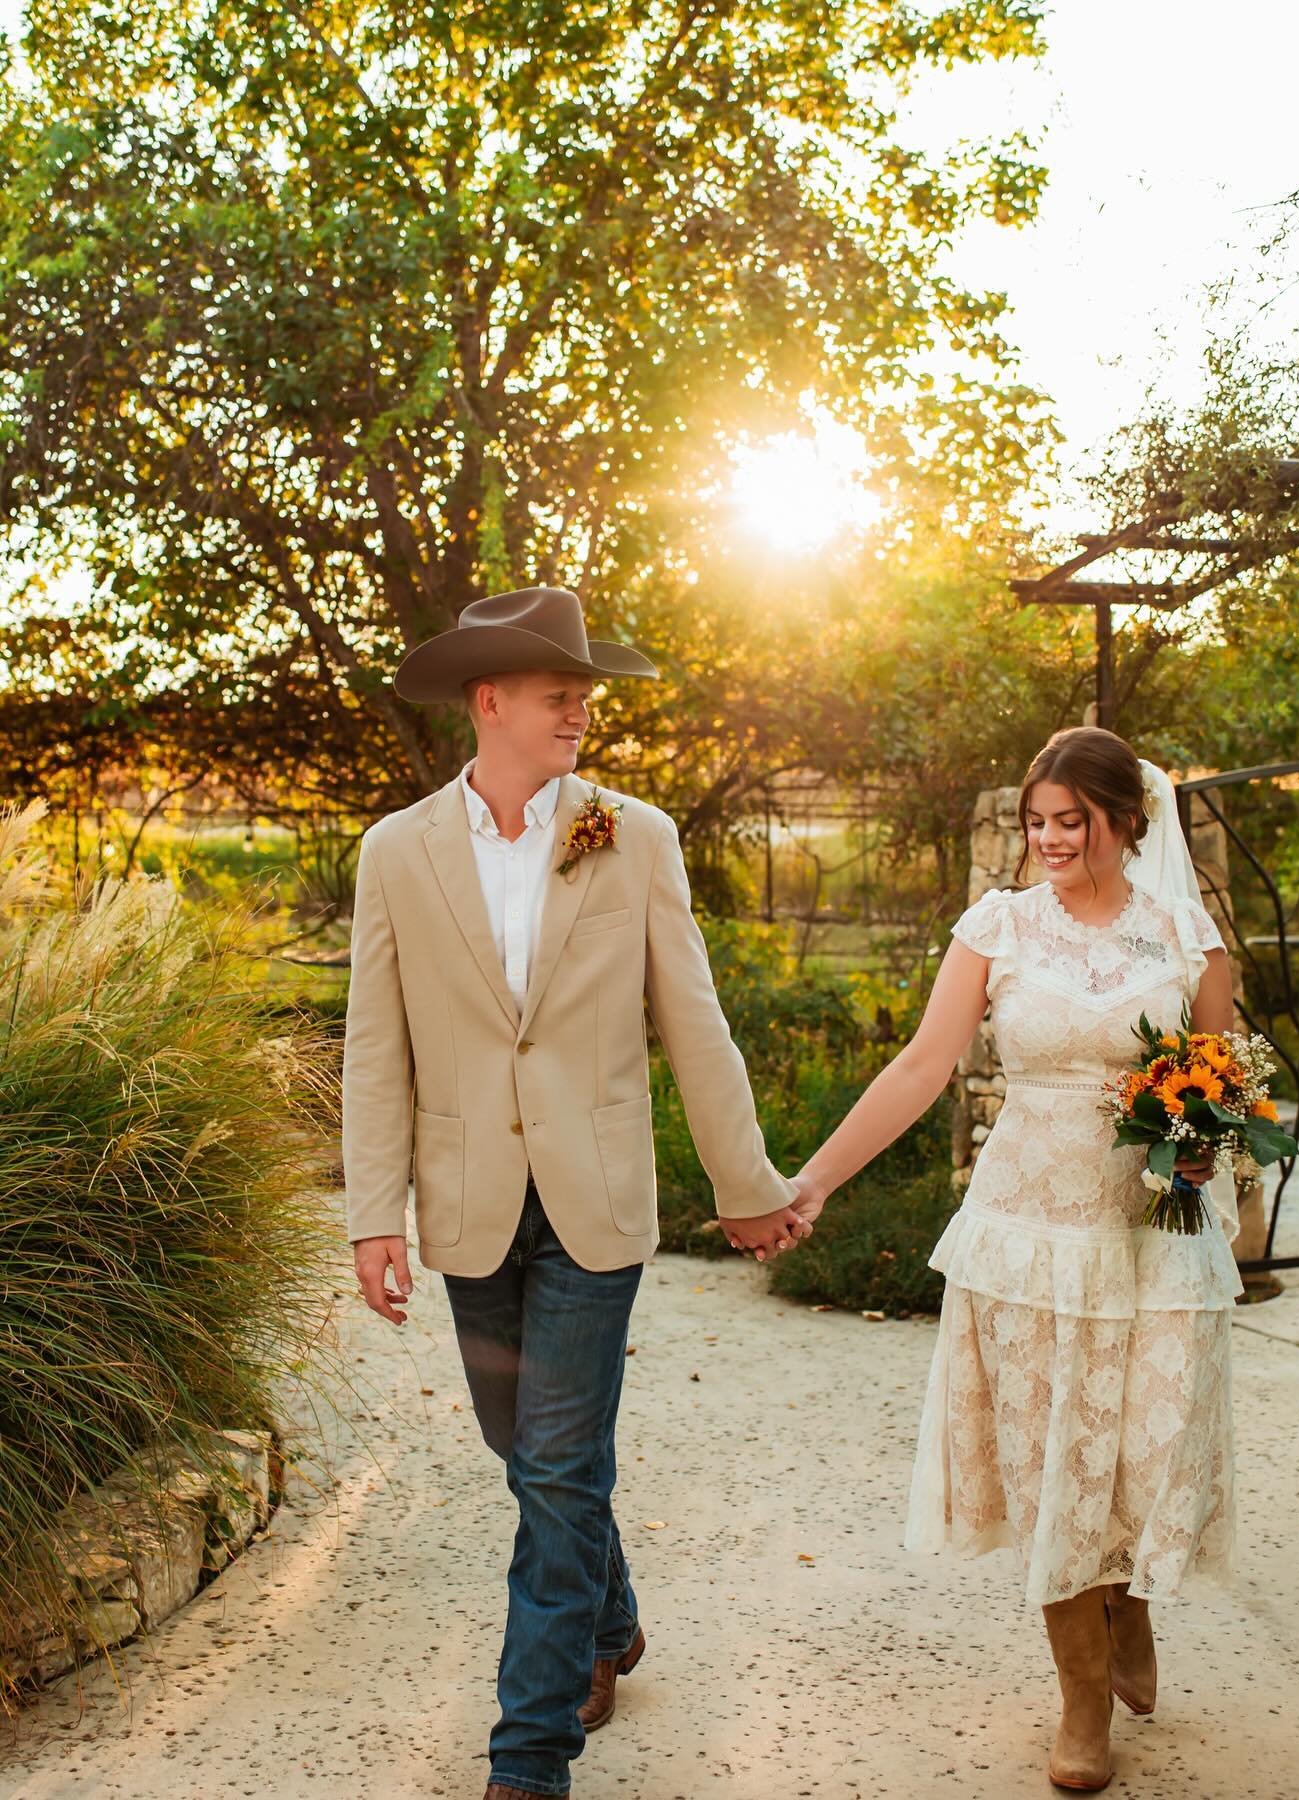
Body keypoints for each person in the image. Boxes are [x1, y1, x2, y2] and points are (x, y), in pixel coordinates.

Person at [341, 586, 813, 1800]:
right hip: (467, 1205)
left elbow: (693, 1024)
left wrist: (745, 1185)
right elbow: (374, 1043)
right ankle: (608, 1622)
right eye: (562, 696)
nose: (581, 715)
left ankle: (528, 1754)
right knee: (525, 1451)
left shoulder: (634, 835)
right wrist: (371, 1213)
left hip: (595, 1204)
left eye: (586, 696)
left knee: (556, 1465)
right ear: (488, 702)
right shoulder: (395, 852)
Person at [788, 726, 1242, 1792]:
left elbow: (1221, 1080)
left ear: (1125, 821)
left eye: (1070, 821)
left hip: (1151, 1240)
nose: (1047, 839)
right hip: (1027, 1240)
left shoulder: (1184, 931)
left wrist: (1195, 1145)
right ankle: (1082, 1699)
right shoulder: (997, 927)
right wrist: (814, 1178)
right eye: (1037, 821)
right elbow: (923, 1064)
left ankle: (1125, 1603)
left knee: (1142, 1447)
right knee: (1049, 1469)